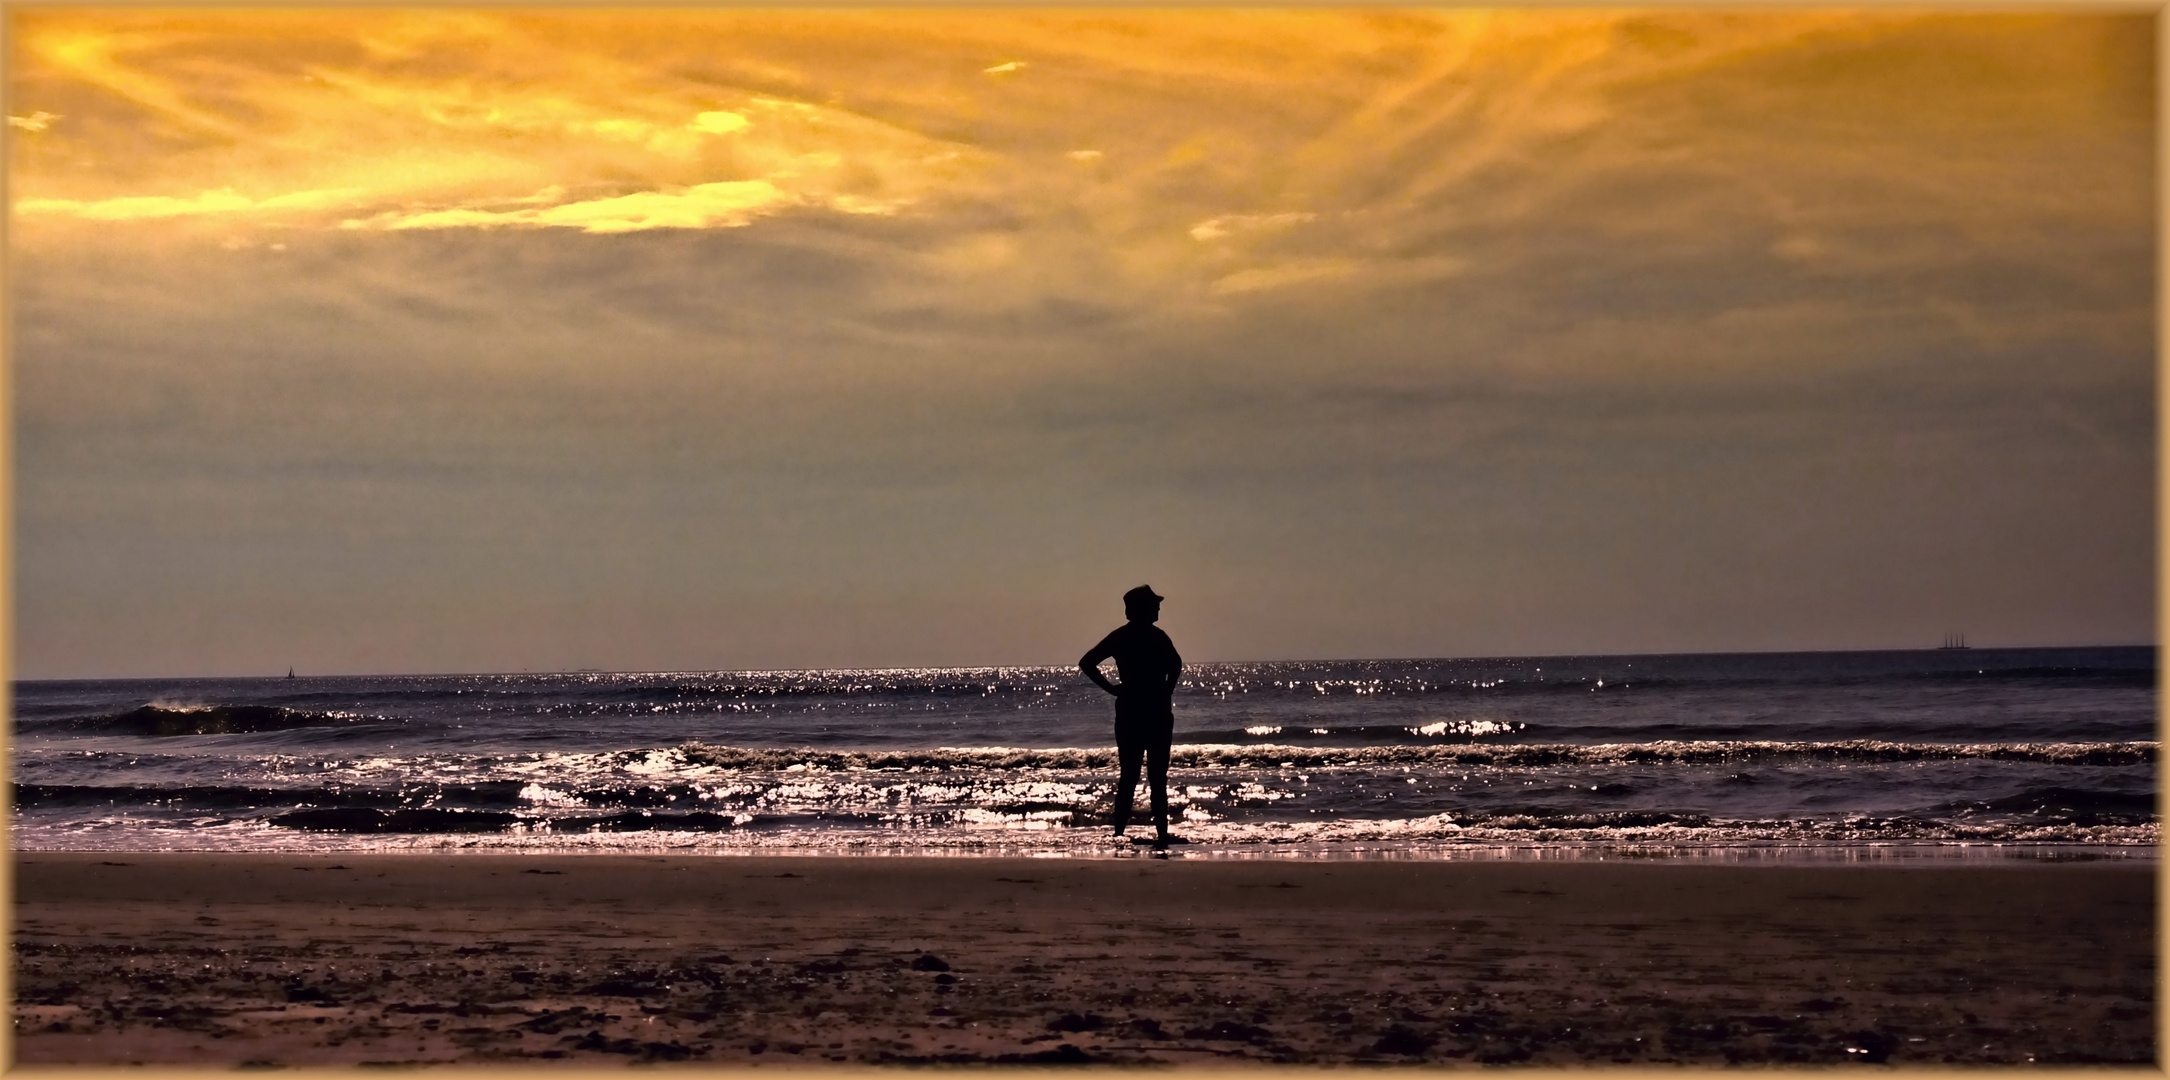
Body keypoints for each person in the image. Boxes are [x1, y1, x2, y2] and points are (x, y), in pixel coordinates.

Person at [1079, 585, 1184, 846]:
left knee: (1131, 775)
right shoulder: (1157, 637)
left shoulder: (1123, 637)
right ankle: (1158, 835)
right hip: (1151, 711)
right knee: (1156, 776)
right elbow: (1176, 664)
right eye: (1154, 604)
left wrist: (1114, 690)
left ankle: (1121, 834)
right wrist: (1165, 691)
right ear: (1142, 608)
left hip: (1133, 709)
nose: (1158, 608)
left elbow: (1087, 662)